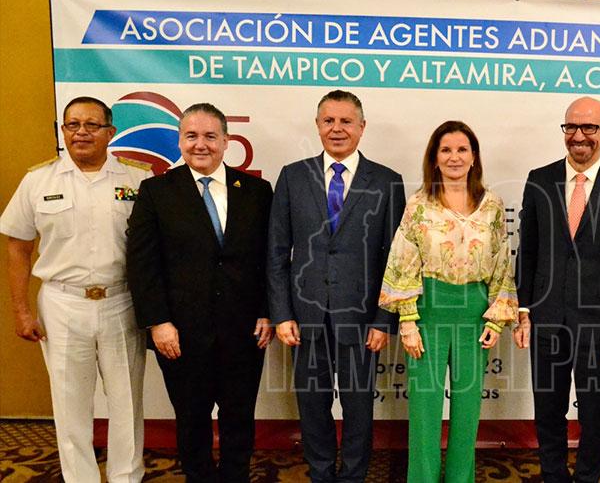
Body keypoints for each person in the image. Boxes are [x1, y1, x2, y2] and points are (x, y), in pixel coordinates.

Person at [1, 96, 150, 482]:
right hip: (62, 304)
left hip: (122, 301)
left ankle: (126, 478)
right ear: (62, 131)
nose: (81, 133)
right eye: (72, 125)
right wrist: (21, 310)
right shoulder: (39, 180)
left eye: (91, 125)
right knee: (70, 406)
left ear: (110, 132)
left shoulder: (137, 179)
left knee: (127, 402)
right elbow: (18, 247)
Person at [126, 103, 274, 482]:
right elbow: (142, 262)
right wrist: (158, 322)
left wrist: (266, 311)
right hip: (181, 333)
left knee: (239, 418)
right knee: (192, 420)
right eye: (191, 136)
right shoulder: (156, 191)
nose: (200, 144)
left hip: (244, 331)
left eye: (210, 136)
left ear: (226, 141)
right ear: (180, 141)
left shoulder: (257, 191)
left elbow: (268, 258)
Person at [267, 90, 405, 483]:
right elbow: (276, 251)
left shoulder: (387, 181)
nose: (337, 129)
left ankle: (355, 476)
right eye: (329, 121)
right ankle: (321, 474)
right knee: (312, 406)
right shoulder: (293, 176)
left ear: (362, 127)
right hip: (306, 317)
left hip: (362, 319)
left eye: (346, 121)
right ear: (317, 126)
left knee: (359, 408)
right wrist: (282, 314)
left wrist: (384, 320)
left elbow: (397, 261)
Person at [512, 96, 600, 483]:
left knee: (594, 415)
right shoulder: (539, 180)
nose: (578, 135)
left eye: (589, 127)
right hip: (547, 322)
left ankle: (588, 478)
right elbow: (528, 252)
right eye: (571, 126)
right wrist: (524, 311)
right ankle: (553, 476)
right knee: (548, 412)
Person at [380, 120, 518, 483]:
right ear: (434, 158)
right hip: (428, 309)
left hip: (475, 311)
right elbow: (403, 260)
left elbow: (502, 262)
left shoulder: (492, 205)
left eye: (461, 149)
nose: (454, 157)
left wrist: (496, 319)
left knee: (468, 408)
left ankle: (460, 478)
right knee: (424, 407)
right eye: (446, 150)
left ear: (474, 157)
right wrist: (407, 320)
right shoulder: (418, 204)